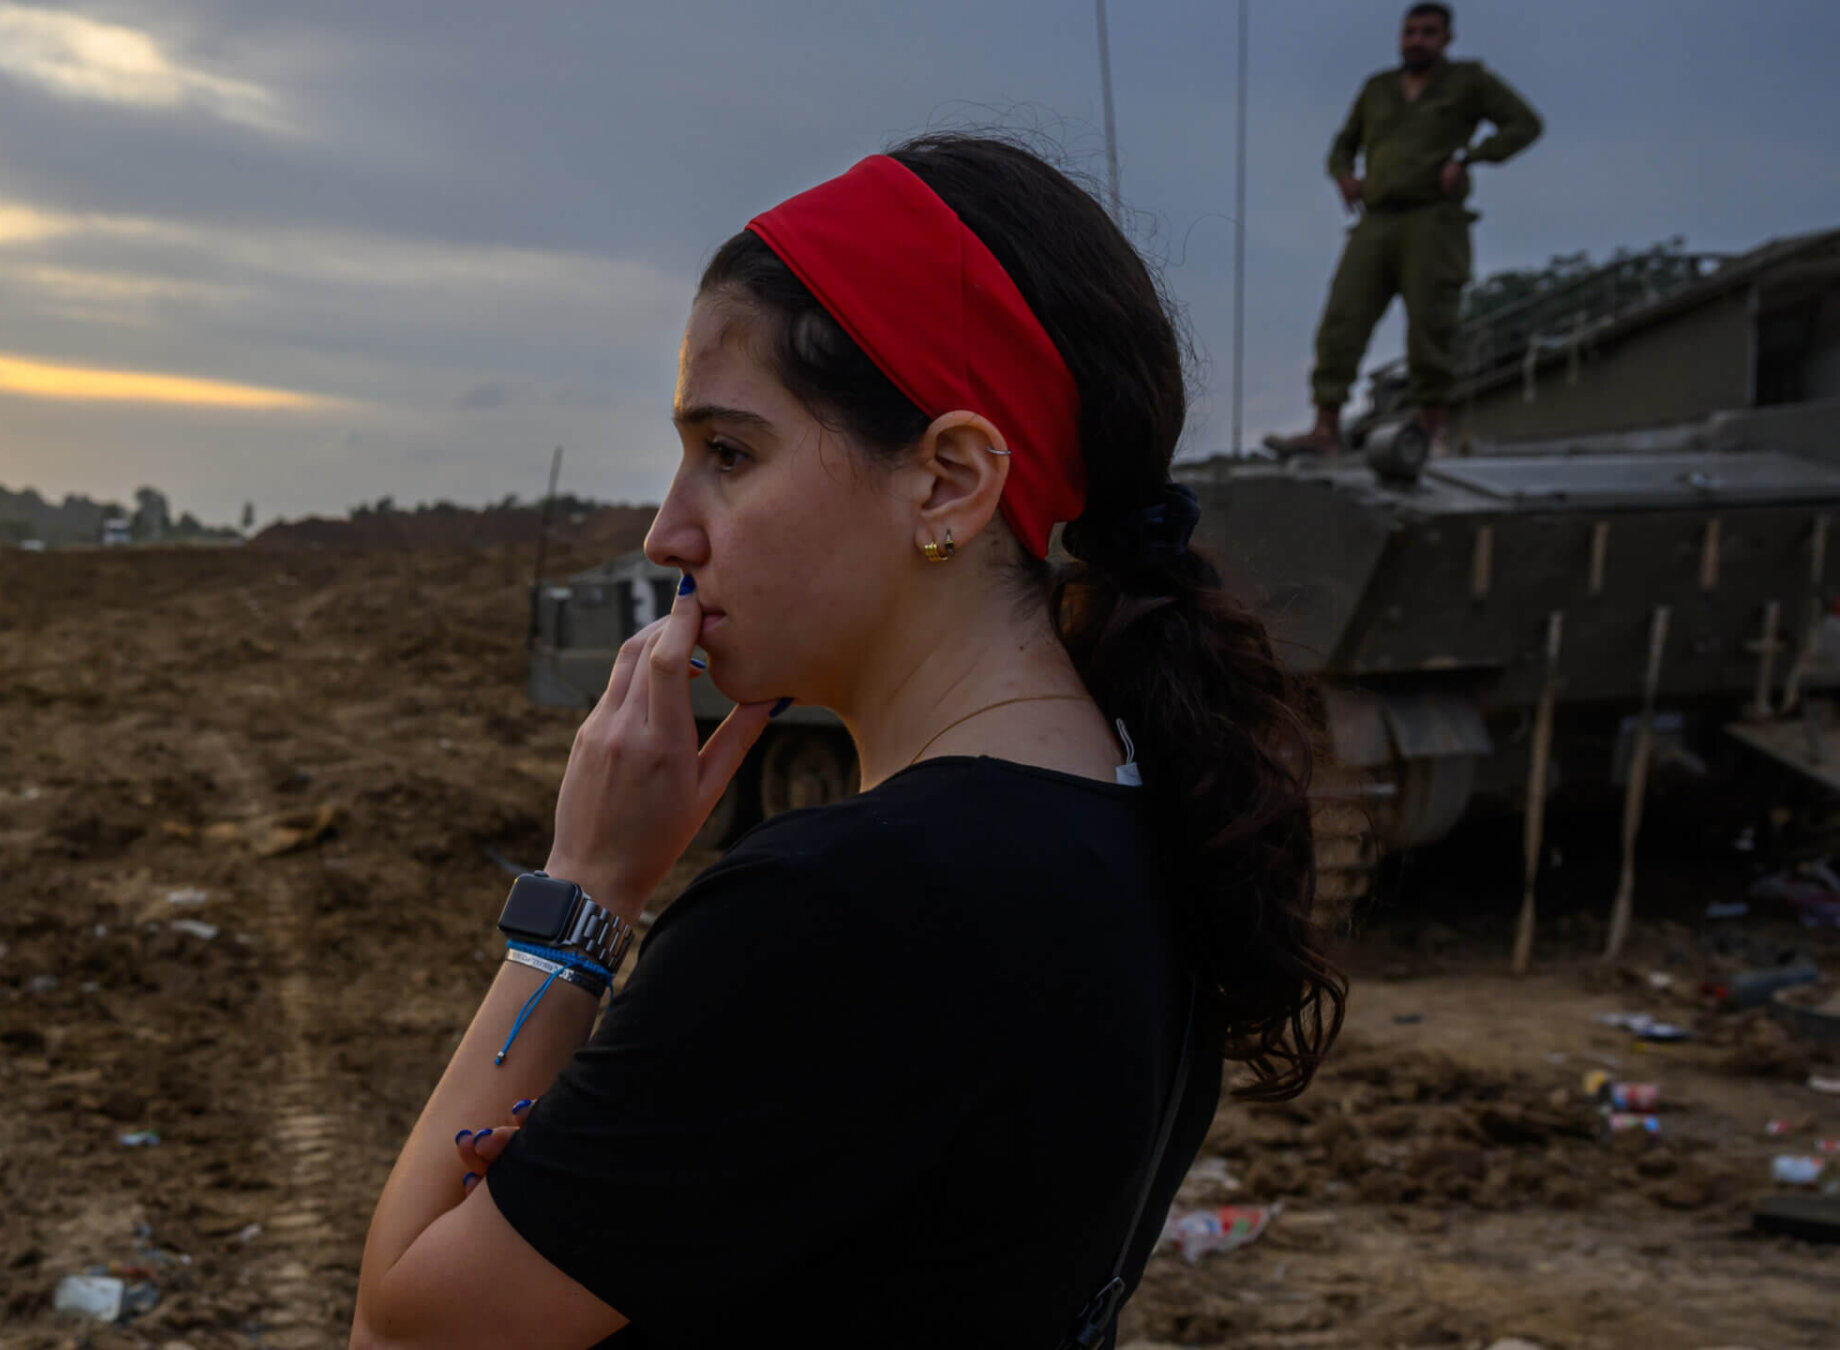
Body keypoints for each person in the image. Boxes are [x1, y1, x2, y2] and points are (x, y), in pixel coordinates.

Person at [352, 133, 1346, 1349]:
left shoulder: (843, 909)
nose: (669, 532)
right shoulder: (1156, 826)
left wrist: (584, 897)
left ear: (948, 481)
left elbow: (408, 1333)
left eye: (729, 453)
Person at [1265, 1, 1541, 457]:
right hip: (1376, 220)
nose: (1417, 40)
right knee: (1342, 319)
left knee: (1432, 324)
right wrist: (1344, 176)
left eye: (1429, 32)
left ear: (1446, 39)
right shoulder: (1378, 88)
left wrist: (1469, 158)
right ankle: (1324, 429)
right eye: (1410, 32)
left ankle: (1432, 430)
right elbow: (1342, 145)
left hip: (1434, 220)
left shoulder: (1468, 81)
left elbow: (1524, 124)